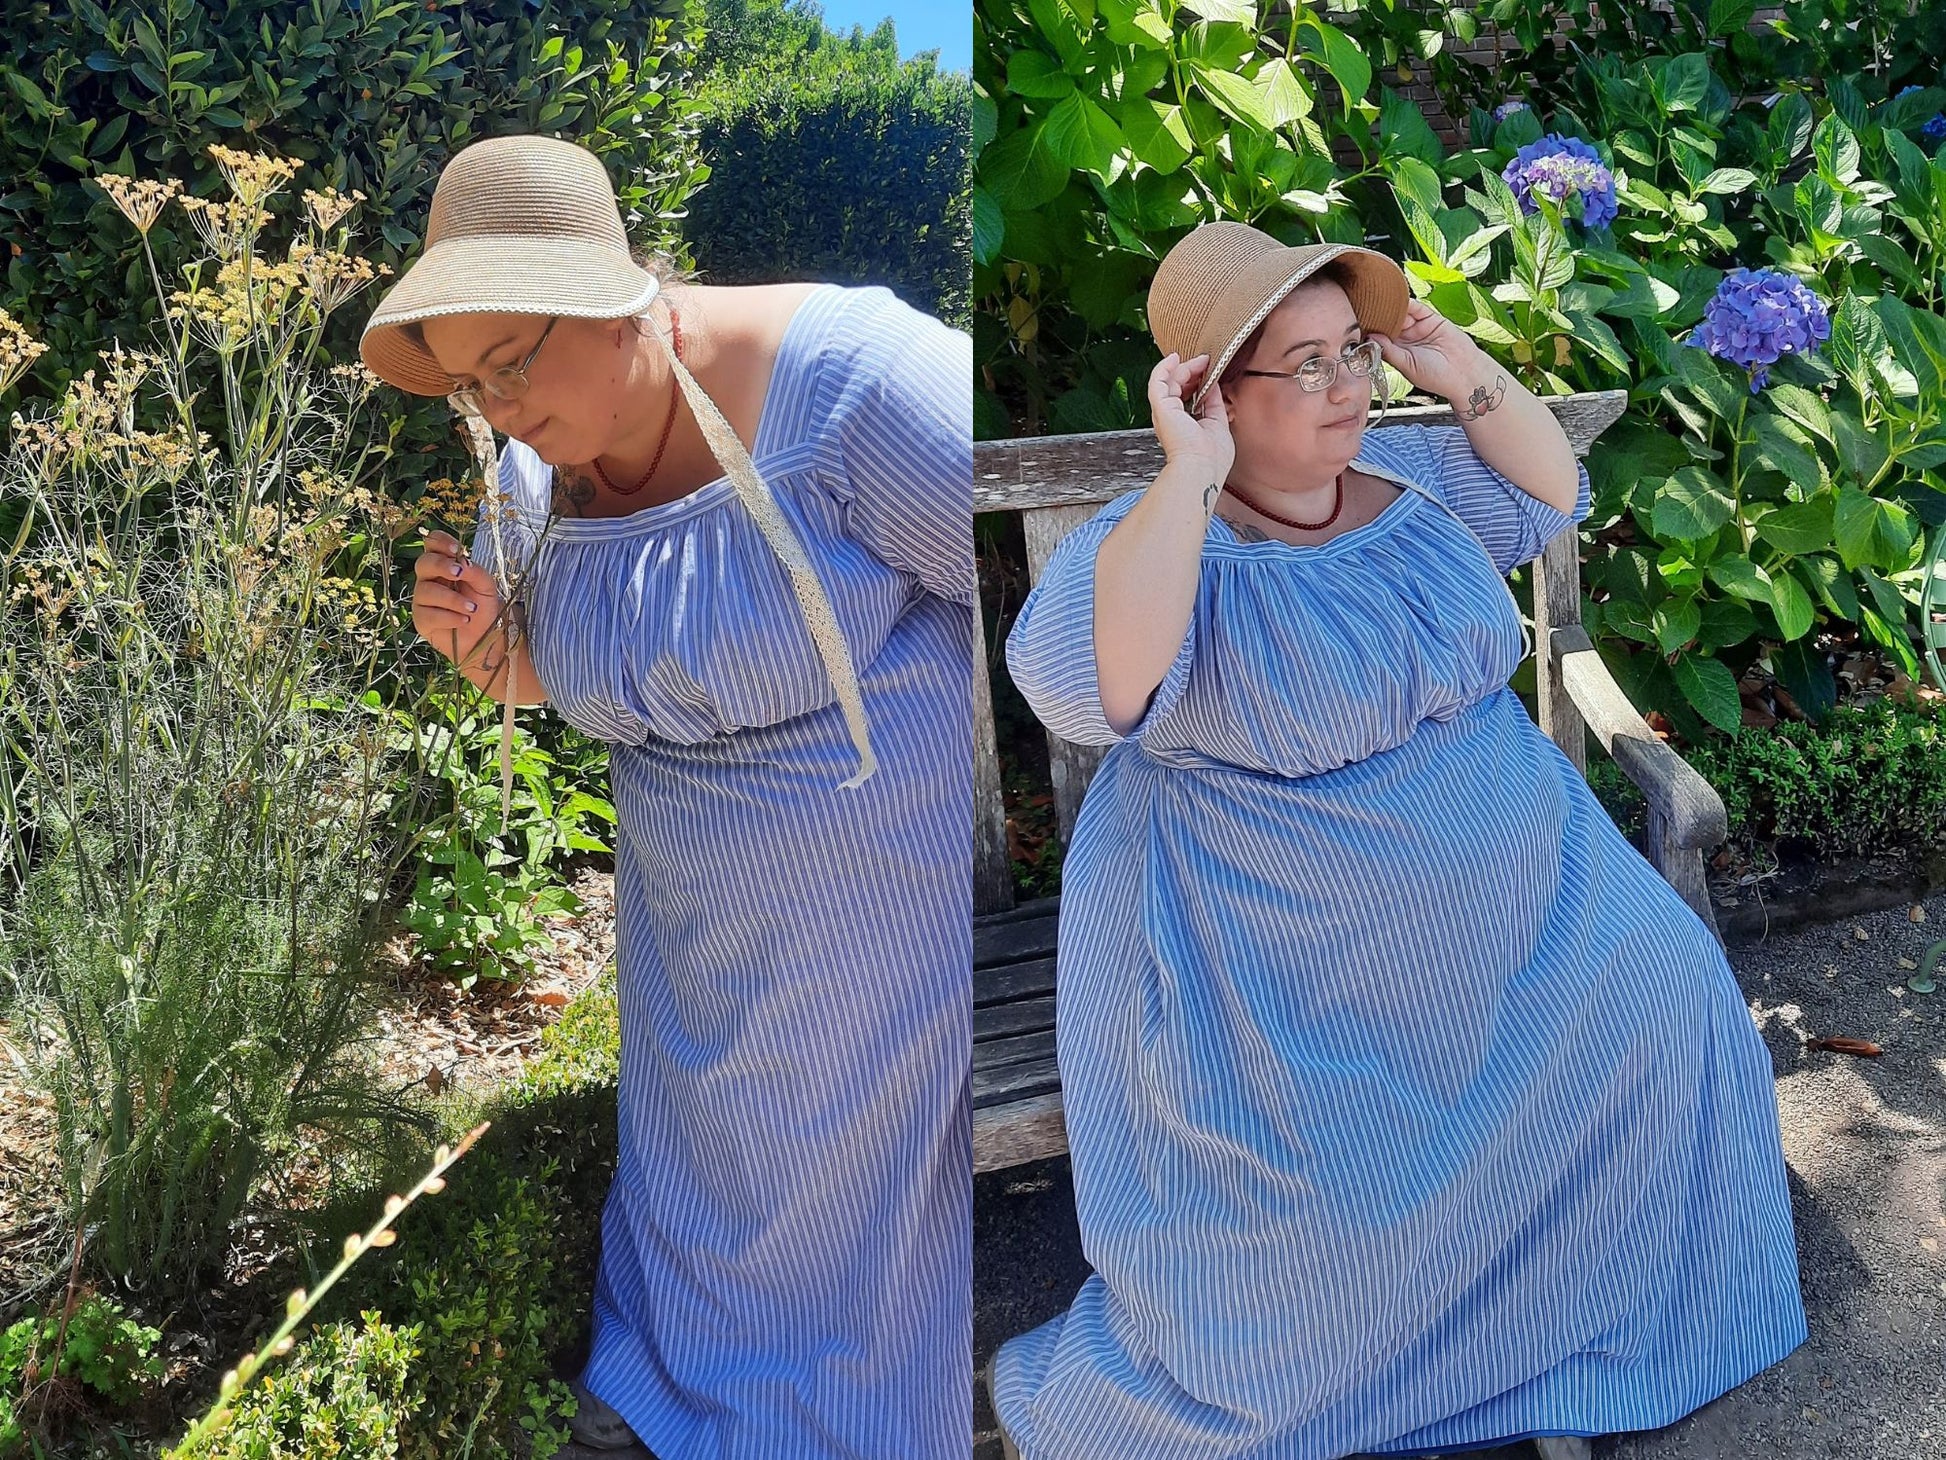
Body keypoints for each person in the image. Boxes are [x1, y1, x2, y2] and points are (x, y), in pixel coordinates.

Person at [987, 220, 1805, 1460]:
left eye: (1352, 352)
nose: (1346, 389)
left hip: (1530, 898)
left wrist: (1443, 350)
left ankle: (1564, 1327)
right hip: (1279, 943)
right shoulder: (1151, 542)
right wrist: (1187, 474)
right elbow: (1092, 691)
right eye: (1303, 365)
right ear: (1208, 392)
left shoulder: (1418, 501)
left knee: (1669, 1002)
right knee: (1316, 1200)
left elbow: (1549, 488)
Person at [359, 134, 972, 1460]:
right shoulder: (527, 476)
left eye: (512, 361)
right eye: (467, 386)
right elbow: (594, 674)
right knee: (700, 1202)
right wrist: (489, 658)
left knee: (847, 1247)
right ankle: (682, 1398)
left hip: (877, 957)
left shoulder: (858, 383)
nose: (499, 409)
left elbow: (1053, 595)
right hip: (690, 949)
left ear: (617, 291)